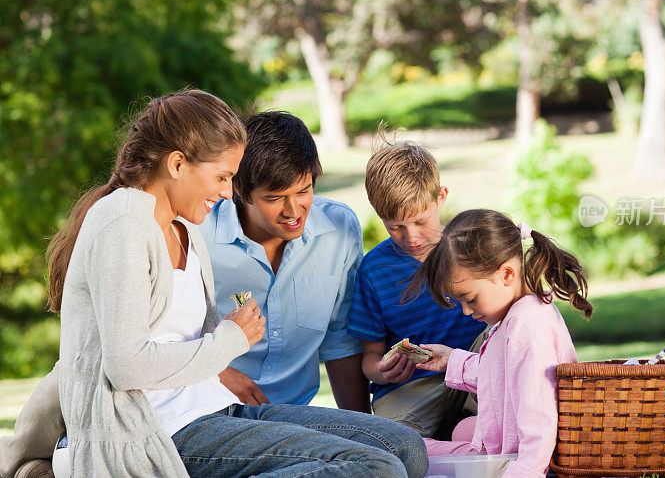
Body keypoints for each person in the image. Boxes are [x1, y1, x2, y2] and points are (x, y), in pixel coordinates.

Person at [38, 90, 427, 477]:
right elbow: (126, 365)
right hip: (158, 430)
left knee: (405, 448)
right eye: (223, 177)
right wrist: (230, 340)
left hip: (213, 408)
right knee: (377, 467)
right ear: (177, 165)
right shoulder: (123, 224)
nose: (227, 192)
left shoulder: (183, 227)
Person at [199, 111, 370, 411]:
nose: (294, 211)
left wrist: (361, 428)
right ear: (241, 191)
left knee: (395, 445)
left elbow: (339, 340)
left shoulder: (339, 232)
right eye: (275, 198)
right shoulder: (199, 235)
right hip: (212, 410)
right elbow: (165, 337)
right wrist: (216, 373)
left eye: (304, 191)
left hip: (296, 417)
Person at [404, 209, 593, 478]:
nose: (467, 311)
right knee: (460, 430)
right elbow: (504, 375)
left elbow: (539, 421)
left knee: (405, 448)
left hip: (519, 460)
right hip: (504, 446)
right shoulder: (516, 314)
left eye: (469, 298)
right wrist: (451, 361)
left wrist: (523, 472)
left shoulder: (527, 326)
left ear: (506, 274)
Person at [347, 140, 486, 438]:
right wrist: (381, 371)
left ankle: (470, 433)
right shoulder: (373, 270)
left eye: (420, 221)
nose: (410, 237)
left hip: (474, 373)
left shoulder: (472, 247)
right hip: (411, 387)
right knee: (393, 442)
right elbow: (370, 358)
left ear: (441, 197)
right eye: (395, 226)